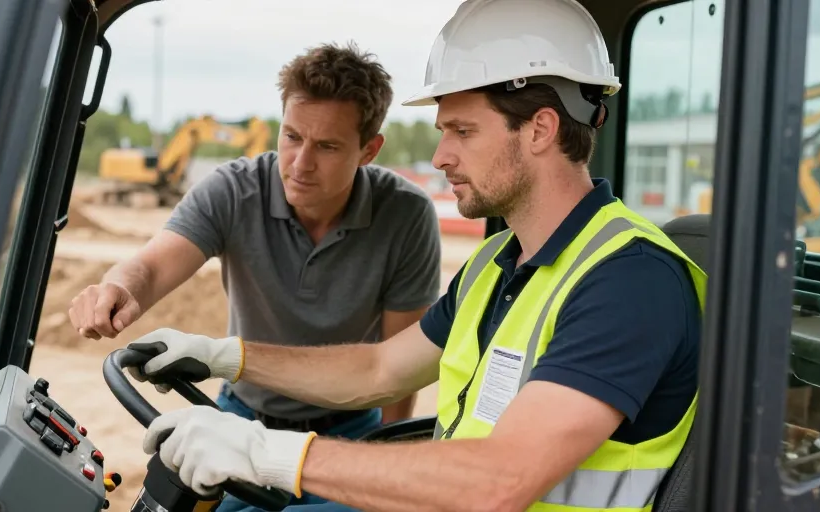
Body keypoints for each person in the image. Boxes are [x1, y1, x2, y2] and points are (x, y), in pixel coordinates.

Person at [129, 0, 707, 510]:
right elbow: (380, 370)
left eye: (462, 131)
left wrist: (267, 452)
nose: (439, 156)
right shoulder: (497, 263)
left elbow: (498, 482)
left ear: (539, 129)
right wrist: (223, 356)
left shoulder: (630, 281)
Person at [68, 41, 441, 457]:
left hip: (350, 426)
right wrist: (118, 287)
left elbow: (397, 366)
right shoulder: (233, 190)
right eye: (292, 136)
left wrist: (387, 455)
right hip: (242, 414)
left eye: (327, 146)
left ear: (369, 150)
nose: (300, 163)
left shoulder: (407, 215)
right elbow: (150, 268)